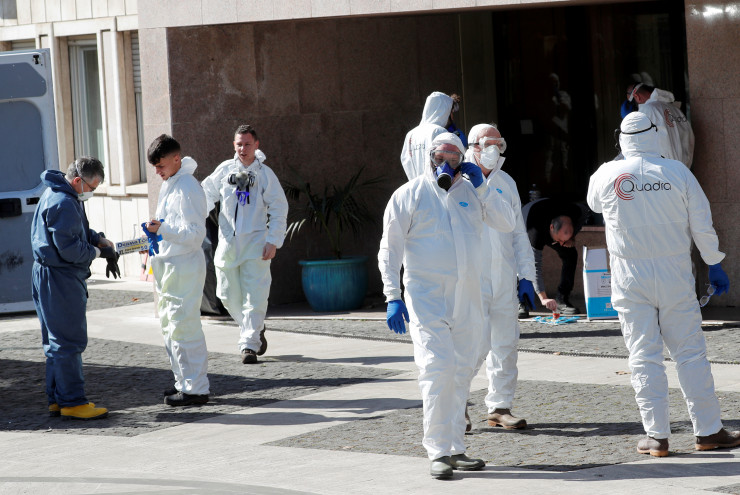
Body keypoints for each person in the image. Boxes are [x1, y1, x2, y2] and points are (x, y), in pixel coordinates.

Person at [587, 111, 740, 456]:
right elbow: (701, 222)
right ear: (655, 134)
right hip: (675, 273)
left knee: (643, 355)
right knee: (690, 353)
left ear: (621, 139)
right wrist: (714, 262)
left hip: (629, 276)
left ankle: (656, 436)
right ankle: (708, 430)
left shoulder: (606, 174)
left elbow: (594, 203)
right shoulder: (678, 172)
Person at [379, 132, 517, 479]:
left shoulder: (472, 191)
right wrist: (392, 295)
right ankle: (438, 451)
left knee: (460, 371)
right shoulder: (409, 194)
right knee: (437, 369)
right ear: (429, 157)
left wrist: (482, 187)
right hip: (427, 299)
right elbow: (390, 248)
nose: (445, 164)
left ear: (463, 161)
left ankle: (456, 447)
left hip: (468, 297)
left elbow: (507, 222)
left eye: (453, 159)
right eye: (440, 157)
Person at [31, 157, 120, 420]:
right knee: (69, 341)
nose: (91, 193)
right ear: (78, 181)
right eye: (92, 188)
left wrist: (97, 238)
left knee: (55, 342)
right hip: (60, 277)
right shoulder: (64, 202)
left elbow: (76, 231)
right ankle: (73, 402)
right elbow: (70, 249)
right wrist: (97, 252)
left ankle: (57, 399)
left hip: (48, 274)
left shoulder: (58, 193)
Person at [464, 123, 536, 431]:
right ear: (473, 146)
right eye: (488, 144)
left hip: (504, 279)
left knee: (505, 344)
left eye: (499, 144)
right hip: (471, 280)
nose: (494, 150)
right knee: (472, 345)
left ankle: (500, 406)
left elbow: (518, 233)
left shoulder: (506, 182)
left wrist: (527, 276)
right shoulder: (458, 181)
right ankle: (456, 405)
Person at [201, 124, 288, 364]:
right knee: (226, 294)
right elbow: (205, 195)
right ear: (234, 145)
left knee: (254, 296)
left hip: (256, 243)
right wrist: (192, 219)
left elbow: (279, 208)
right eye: (239, 144)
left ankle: (248, 345)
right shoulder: (224, 170)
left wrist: (273, 241)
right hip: (228, 243)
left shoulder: (265, 175)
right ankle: (254, 328)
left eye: (247, 144)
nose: (243, 148)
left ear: (256, 145)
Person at [145, 135, 210, 407]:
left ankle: (195, 388)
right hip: (171, 264)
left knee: (183, 326)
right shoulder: (171, 183)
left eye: (160, 166)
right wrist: (153, 239)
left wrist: (163, 230)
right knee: (171, 325)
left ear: (176, 159)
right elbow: (169, 227)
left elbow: (195, 234)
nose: (157, 172)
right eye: (155, 167)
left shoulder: (187, 186)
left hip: (184, 265)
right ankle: (184, 381)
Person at [521, 197, 587, 316]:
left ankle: (562, 299)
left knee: (570, 253)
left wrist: (572, 238)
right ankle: (521, 302)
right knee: (521, 261)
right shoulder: (535, 232)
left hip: (550, 207)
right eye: (559, 240)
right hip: (526, 219)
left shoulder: (576, 212)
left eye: (564, 240)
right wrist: (543, 298)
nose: (561, 244)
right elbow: (535, 266)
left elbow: (584, 213)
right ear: (551, 228)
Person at [626, 83, 694, 168]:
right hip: (684, 169)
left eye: (634, 104)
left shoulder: (647, 110)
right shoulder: (676, 110)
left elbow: (636, 144)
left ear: (637, 96)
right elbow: (690, 139)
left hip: (665, 171)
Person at [400, 91, 452, 180]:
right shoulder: (439, 131)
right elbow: (448, 161)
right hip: (436, 184)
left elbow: (405, 160)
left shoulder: (411, 134)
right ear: (444, 111)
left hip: (415, 184)